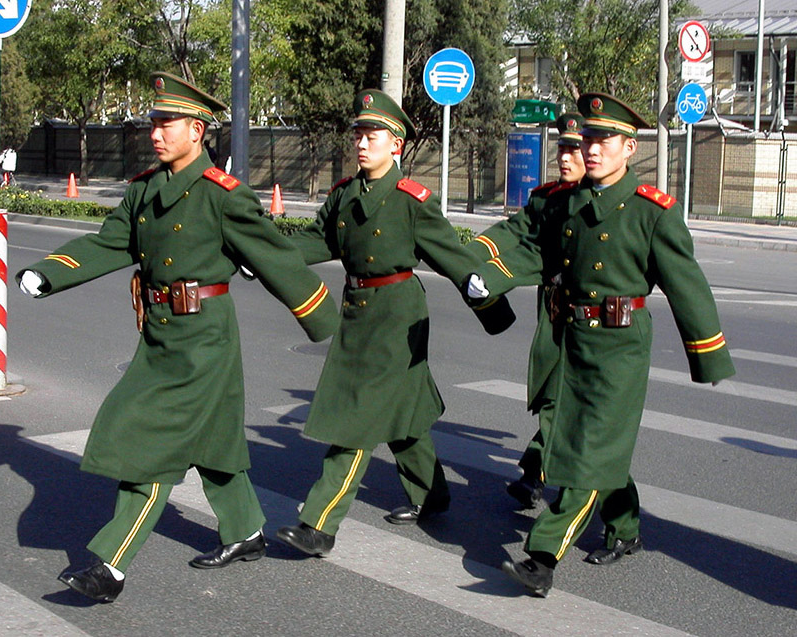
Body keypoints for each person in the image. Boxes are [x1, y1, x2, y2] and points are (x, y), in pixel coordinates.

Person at [16, 71, 339, 602]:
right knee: (212, 444)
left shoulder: (223, 195)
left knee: (151, 446)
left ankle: (109, 566)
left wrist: (325, 321)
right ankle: (247, 532)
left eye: (168, 123)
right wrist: (51, 270)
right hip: (160, 335)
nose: (156, 133)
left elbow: (275, 255)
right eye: (154, 123)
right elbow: (109, 243)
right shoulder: (145, 189)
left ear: (198, 130)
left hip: (204, 341)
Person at [466, 93, 735, 597]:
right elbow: (537, 254)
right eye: (587, 138)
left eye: (603, 139)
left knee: (588, 452)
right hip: (573, 338)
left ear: (630, 147)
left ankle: (542, 556)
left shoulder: (651, 211)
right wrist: (490, 276)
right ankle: (626, 526)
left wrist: (708, 352)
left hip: (621, 346)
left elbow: (686, 284)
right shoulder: (568, 203)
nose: (591, 148)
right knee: (590, 445)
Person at [275, 89, 505, 557]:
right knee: (404, 413)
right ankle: (432, 493)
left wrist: (477, 288)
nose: (362, 142)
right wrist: (265, 258)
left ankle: (318, 523)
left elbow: (449, 253)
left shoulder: (411, 200)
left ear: (395, 144)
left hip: (398, 316)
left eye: (373, 134)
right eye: (358, 133)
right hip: (358, 310)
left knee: (358, 419)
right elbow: (314, 242)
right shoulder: (344, 196)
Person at [467, 114, 587, 509]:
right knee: (555, 397)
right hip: (554, 315)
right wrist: (469, 258)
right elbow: (514, 233)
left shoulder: (605, 200)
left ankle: (542, 478)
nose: (565, 158)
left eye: (573, 149)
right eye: (561, 149)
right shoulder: (547, 197)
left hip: (594, 320)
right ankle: (539, 472)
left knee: (572, 409)